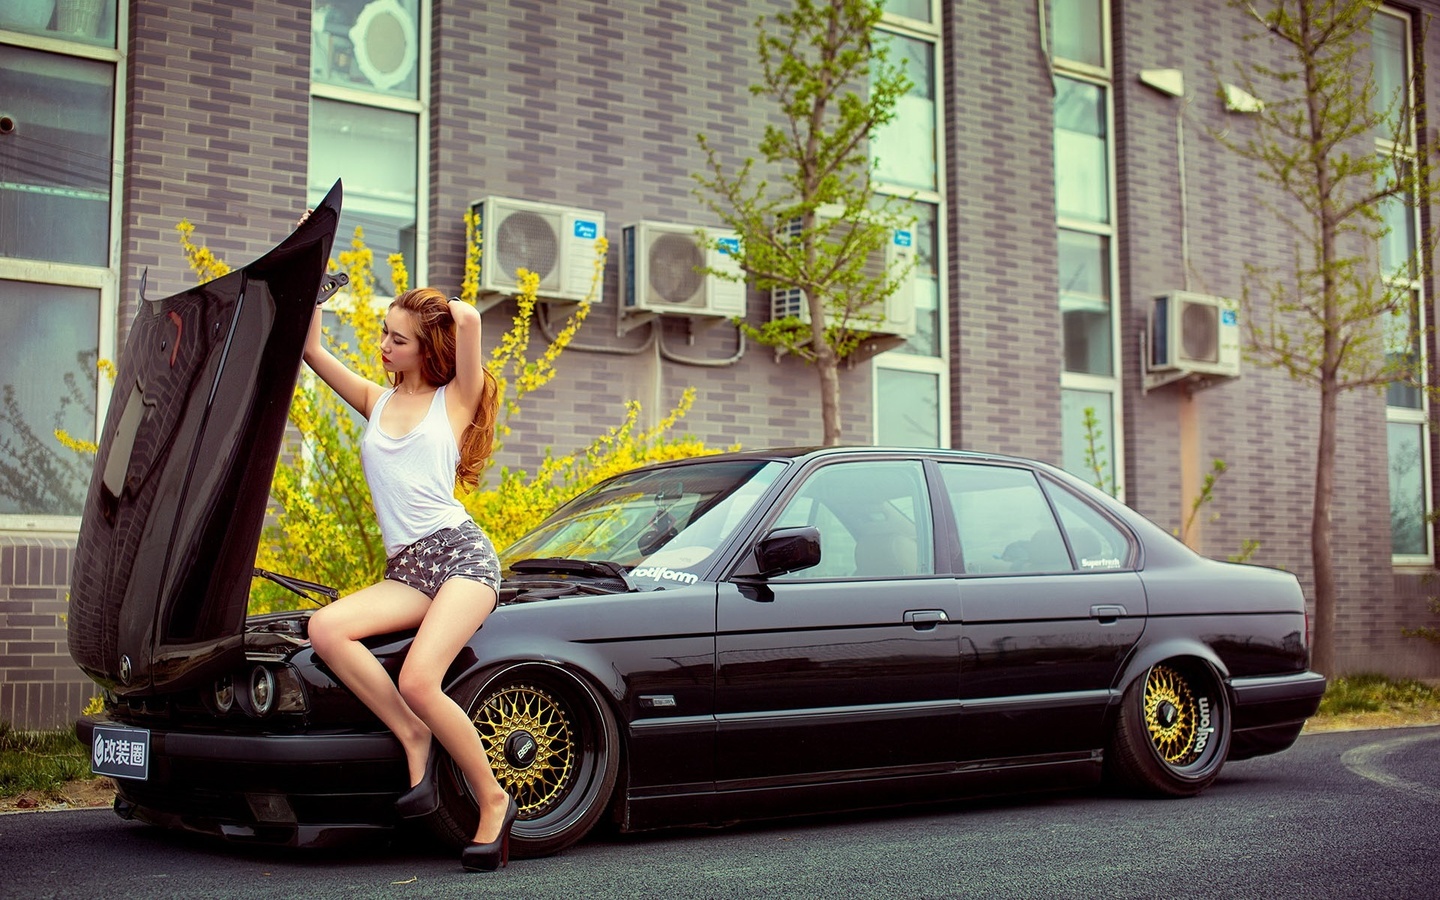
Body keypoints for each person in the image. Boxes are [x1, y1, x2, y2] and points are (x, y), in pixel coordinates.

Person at [301, 279, 516, 872]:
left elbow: (469, 320)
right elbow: (312, 352)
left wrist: (438, 309)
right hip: (409, 568)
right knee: (326, 628)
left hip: (461, 560)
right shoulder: (378, 400)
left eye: (398, 339)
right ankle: (412, 735)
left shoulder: (455, 400)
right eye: (384, 334)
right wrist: (312, 282)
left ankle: (493, 800)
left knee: (422, 679)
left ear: (427, 349)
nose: (384, 346)